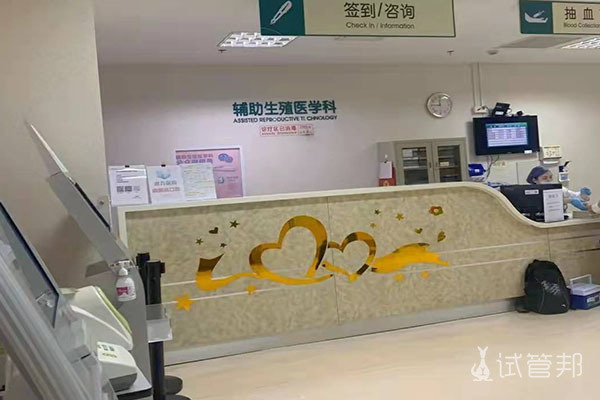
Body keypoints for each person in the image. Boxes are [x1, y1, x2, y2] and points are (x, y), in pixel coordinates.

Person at [526, 166, 591, 211]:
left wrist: (582, 195)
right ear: (534, 180)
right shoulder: (529, 192)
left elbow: (573, 195)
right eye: (545, 178)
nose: (549, 180)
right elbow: (541, 203)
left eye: (550, 177)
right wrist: (567, 200)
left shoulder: (557, 188)